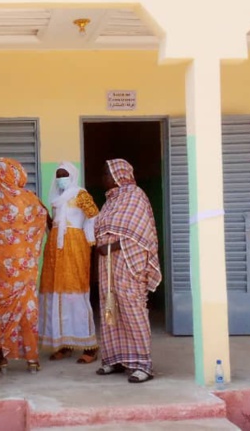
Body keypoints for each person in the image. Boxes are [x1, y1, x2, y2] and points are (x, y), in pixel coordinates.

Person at [93, 159, 161, 384]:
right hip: (108, 265)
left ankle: (143, 364)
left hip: (128, 263)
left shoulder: (135, 196)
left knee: (132, 309)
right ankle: (115, 358)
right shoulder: (111, 200)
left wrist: (110, 246)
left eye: (106, 173)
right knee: (110, 309)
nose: (103, 178)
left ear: (118, 174)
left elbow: (142, 235)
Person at [0, 158, 48, 374]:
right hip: (26, 268)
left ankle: (2, 359)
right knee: (27, 311)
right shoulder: (31, 199)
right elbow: (46, 221)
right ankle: (32, 359)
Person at [39, 162, 100, 364]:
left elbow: (94, 217)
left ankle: (90, 346)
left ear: (72, 175)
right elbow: (54, 226)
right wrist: (44, 216)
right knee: (57, 293)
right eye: (58, 175)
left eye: (64, 175)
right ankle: (64, 344)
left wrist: (91, 239)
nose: (60, 179)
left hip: (75, 248)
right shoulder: (57, 200)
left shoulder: (80, 194)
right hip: (55, 251)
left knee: (75, 294)